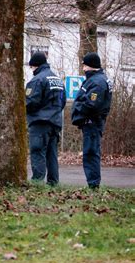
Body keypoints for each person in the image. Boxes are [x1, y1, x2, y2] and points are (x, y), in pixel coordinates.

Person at [71, 52, 113, 189]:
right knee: (90, 153)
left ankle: (93, 185)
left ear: (91, 66)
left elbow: (91, 104)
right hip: (91, 122)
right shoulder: (96, 79)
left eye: (85, 66)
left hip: (92, 123)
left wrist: (77, 106)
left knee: (91, 153)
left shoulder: (98, 82)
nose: (83, 69)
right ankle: (93, 184)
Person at [25, 52, 66, 185]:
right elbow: (63, 102)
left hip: (40, 123)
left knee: (37, 152)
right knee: (51, 154)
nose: (31, 70)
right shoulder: (58, 80)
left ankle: (37, 182)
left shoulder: (37, 80)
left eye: (31, 67)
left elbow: (30, 102)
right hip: (55, 123)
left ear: (34, 66)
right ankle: (53, 183)